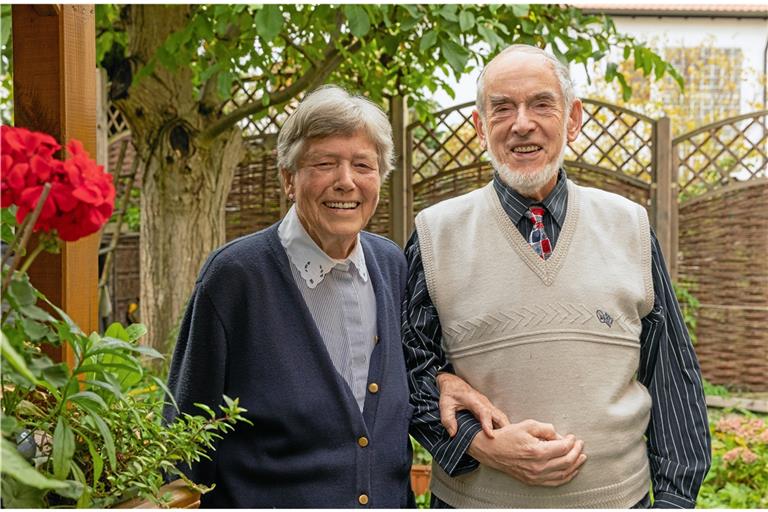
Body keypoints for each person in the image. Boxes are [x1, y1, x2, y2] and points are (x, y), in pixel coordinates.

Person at [404, 44, 711, 508]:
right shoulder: (434, 234)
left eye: (541, 104)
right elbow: (409, 371)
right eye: (502, 108)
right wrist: (480, 444)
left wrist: (673, 500)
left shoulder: (629, 225)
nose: (522, 122)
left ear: (572, 118)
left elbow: (670, 373)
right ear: (480, 126)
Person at [164, 85, 494, 508]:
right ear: (288, 178)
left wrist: (445, 380)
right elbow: (184, 441)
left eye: (363, 165)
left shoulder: (392, 266)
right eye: (325, 164)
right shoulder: (235, 277)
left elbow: (414, 375)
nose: (346, 181)